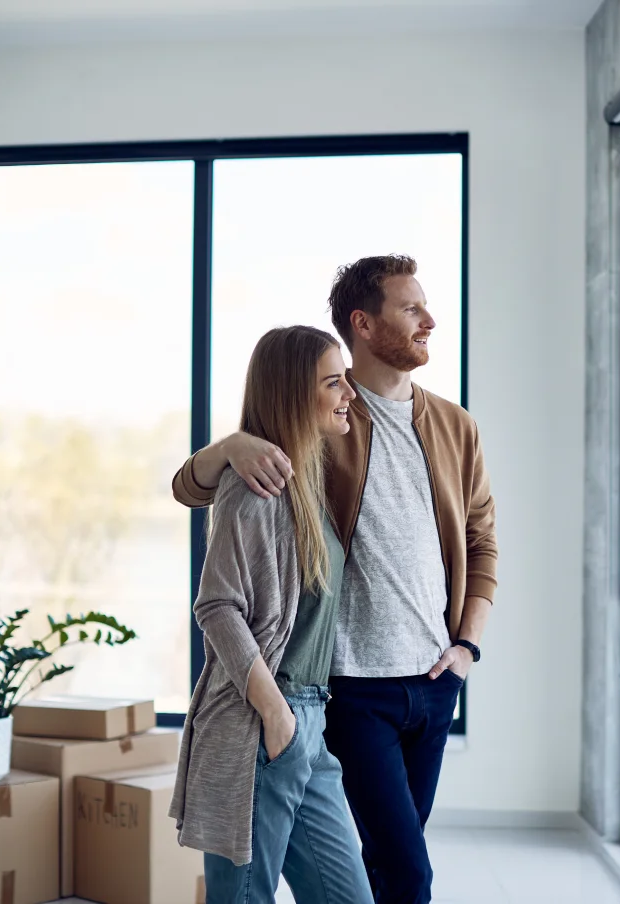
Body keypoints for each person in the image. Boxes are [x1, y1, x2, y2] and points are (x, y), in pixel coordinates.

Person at [171, 254, 499, 904]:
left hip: (430, 683)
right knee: (403, 871)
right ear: (365, 324)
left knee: (387, 862)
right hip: (340, 690)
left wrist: (466, 649)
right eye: (411, 308)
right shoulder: (326, 424)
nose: (429, 319)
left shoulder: (455, 427)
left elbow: (482, 541)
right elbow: (197, 497)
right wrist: (229, 446)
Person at [169, 325, 374, 904]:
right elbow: (216, 605)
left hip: (309, 722)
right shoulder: (253, 485)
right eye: (333, 383)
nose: (347, 395)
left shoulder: (307, 476)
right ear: (292, 393)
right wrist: (276, 714)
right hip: (264, 721)